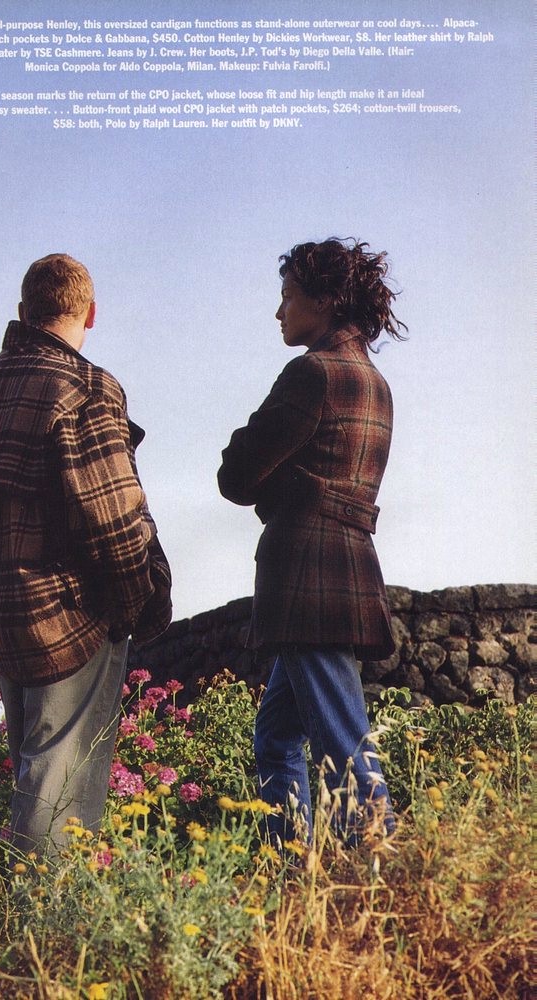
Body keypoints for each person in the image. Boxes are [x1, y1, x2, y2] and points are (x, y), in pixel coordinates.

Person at [0, 253, 172, 854]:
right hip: (70, 617)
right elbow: (114, 520)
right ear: (91, 313)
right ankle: (42, 912)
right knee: (60, 790)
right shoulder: (87, 387)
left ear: (23, 311)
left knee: (33, 776)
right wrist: (136, 605)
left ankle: (25, 902)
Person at [218, 238, 406, 845]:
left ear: (324, 301)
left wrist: (275, 484)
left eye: (288, 296)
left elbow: (236, 475)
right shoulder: (376, 381)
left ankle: (377, 866)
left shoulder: (311, 373)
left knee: (341, 739)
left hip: (306, 575)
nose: (279, 311)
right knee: (277, 736)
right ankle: (290, 864)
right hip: (347, 567)